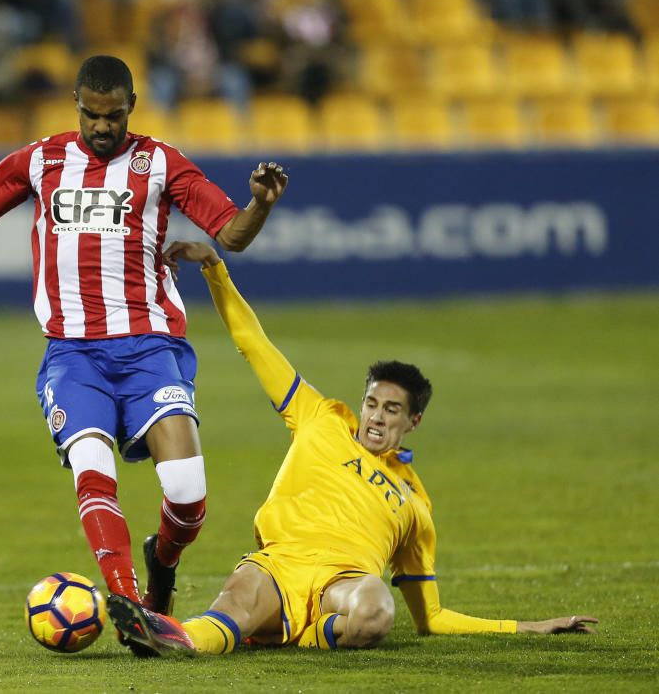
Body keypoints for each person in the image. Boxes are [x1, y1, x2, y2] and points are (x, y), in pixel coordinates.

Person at [0, 56, 288, 627]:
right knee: (92, 466)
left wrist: (260, 203)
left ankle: (161, 563)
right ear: (76, 104)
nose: (102, 127)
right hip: (73, 353)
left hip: (150, 347)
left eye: (113, 116)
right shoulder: (39, 160)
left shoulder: (159, 162)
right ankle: (134, 608)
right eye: (91, 115)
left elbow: (231, 234)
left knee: (187, 496)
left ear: (131, 108)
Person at [107, 241, 598, 656]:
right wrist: (215, 268)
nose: (377, 417)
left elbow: (431, 617)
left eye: (391, 409)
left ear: (413, 421)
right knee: (230, 609)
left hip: (341, 585)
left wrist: (527, 627)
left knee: (376, 612)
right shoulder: (320, 417)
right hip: (279, 563)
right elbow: (252, 342)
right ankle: (168, 636)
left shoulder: (415, 506)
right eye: (372, 403)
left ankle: (286, 632)